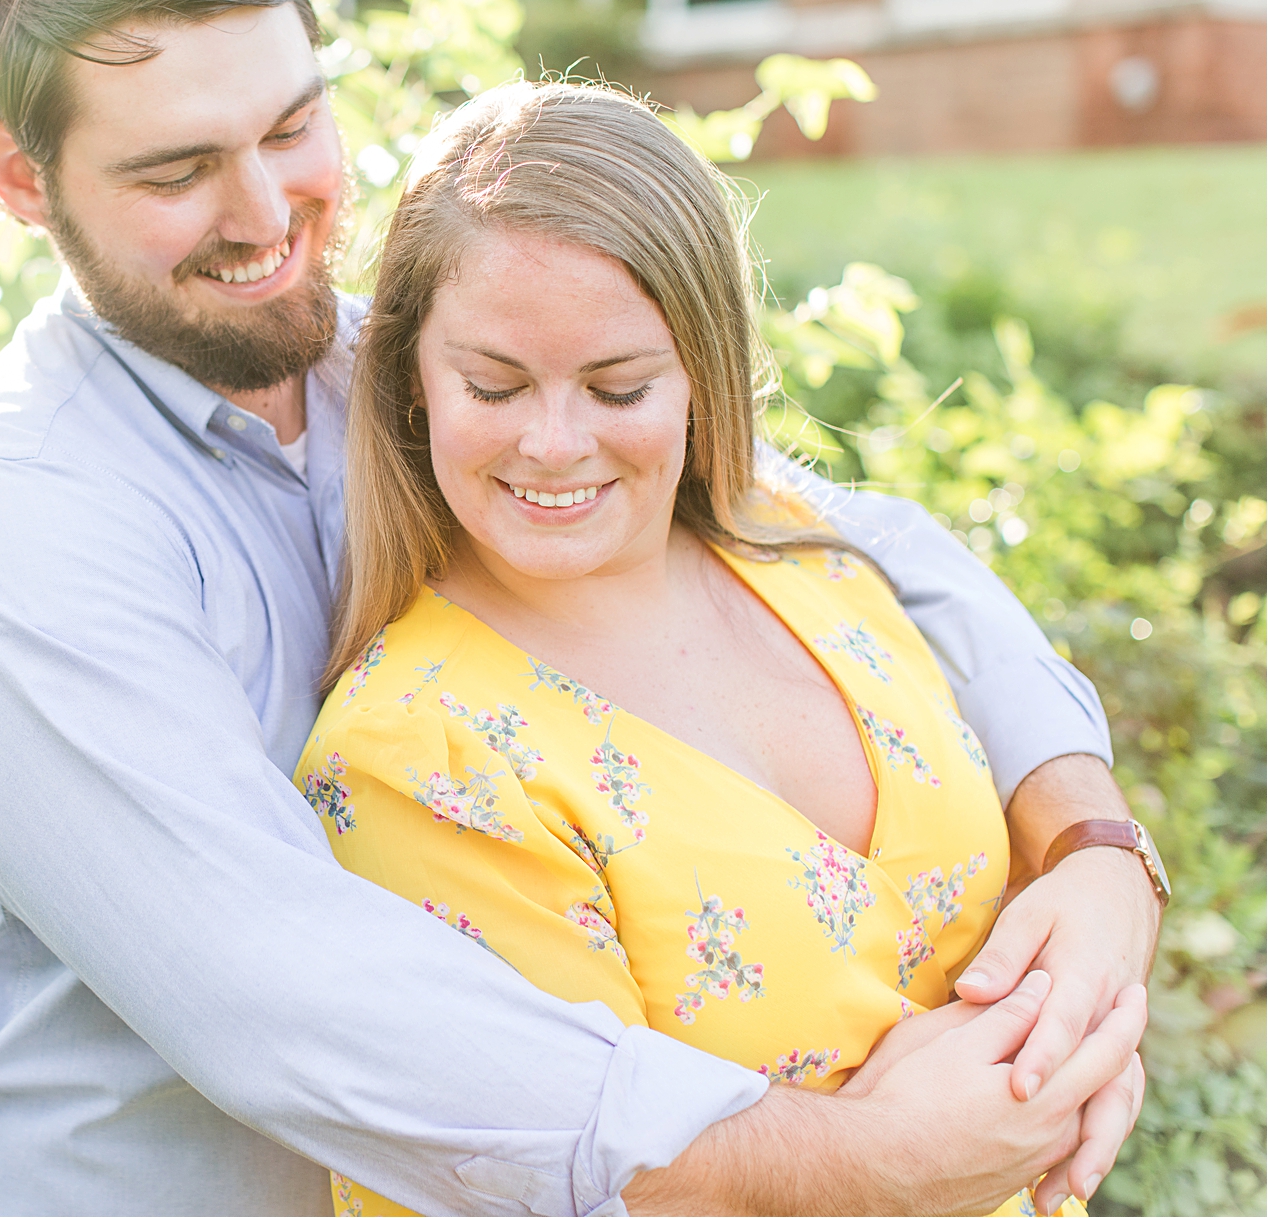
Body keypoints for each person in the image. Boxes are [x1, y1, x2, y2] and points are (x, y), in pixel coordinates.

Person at [0, 0, 1162, 1213]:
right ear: (16, 175)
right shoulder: (3, 544)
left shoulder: (425, 375)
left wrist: (1092, 855)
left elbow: (858, 544)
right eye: (179, 169)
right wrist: (848, 1161)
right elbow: (289, 992)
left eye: (292, 128)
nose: (267, 216)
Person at [294, 80, 1150, 1218]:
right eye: (492, 384)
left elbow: (1008, 927)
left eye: (618, 386)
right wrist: (903, 1163)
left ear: (701, 370)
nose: (553, 444)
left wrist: (1076, 1024)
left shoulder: (803, 552)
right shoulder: (422, 758)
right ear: (409, 376)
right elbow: (535, 1180)